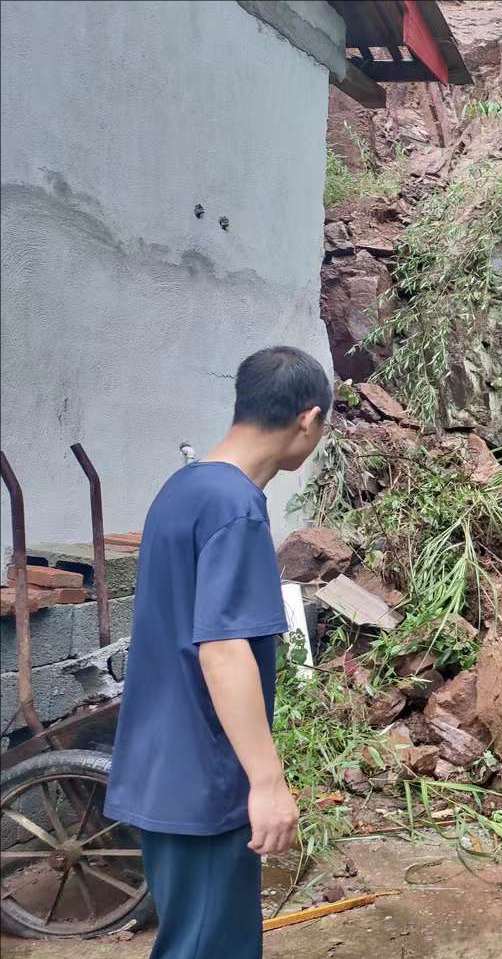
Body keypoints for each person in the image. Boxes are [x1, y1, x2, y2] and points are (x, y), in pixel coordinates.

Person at [105, 346, 331, 959]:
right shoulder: (236, 509)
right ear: (308, 419)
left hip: (163, 768)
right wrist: (267, 782)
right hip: (204, 777)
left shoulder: (183, 489)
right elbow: (224, 650)